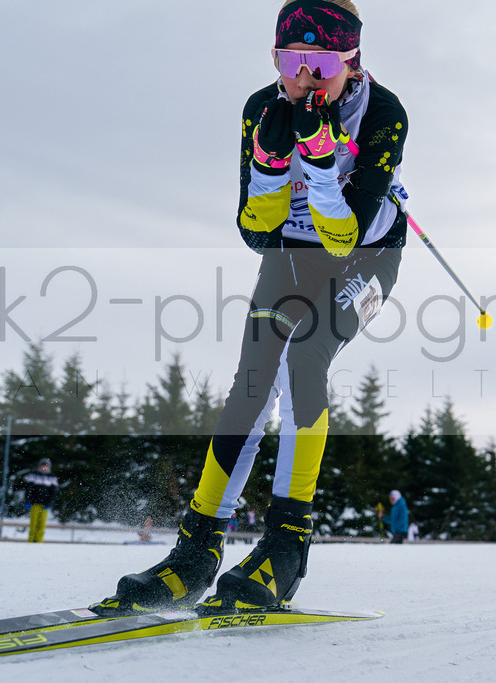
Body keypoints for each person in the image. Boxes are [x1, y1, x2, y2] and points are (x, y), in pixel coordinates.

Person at [93, 0, 408, 615]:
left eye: (320, 61)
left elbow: (348, 235)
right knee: (252, 380)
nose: (304, 76)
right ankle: (196, 550)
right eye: (289, 58)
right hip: (292, 253)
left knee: (305, 358)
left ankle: (287, 546)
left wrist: (318, 164)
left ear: (352, 58)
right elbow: (254, 232)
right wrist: (267, 170)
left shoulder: (384, 112)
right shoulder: (260, 108)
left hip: (366, 259)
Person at [23, 458, 59, 543]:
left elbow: (53, 493)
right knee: (33, 524)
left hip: (45, 505)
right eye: (42, 466)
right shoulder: (33, 476)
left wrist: (50, 503)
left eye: (45, 466)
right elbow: (28, 490)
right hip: (34, 504)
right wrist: (28, 501)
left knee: (42, 525)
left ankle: (39, 541)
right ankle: (31, 540)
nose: (44, 468)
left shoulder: (52, 477)